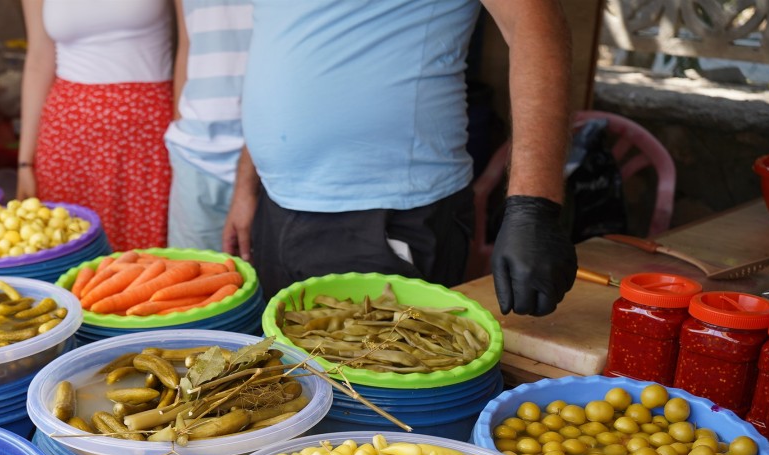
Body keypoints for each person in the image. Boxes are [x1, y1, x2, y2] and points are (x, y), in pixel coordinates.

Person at [223, 0, 577, 317]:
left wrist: (534, 206)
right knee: (288, 380)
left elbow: (533, 21)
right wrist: (246, 186)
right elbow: (288, 51)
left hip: (385, 213)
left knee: (369, 386)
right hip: (275, 208)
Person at [17, 0, 178, 251]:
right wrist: (25, 161)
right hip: (66, 137)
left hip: (146, 134)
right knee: (68, 248)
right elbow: (38, 60)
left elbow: (191, 46)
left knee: (144, 262)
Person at [164, 0, 251, 250]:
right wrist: (181, 122)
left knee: (265, 279)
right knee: (193, 278)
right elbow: (187, 43)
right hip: (194, 149)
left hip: (267, 150)